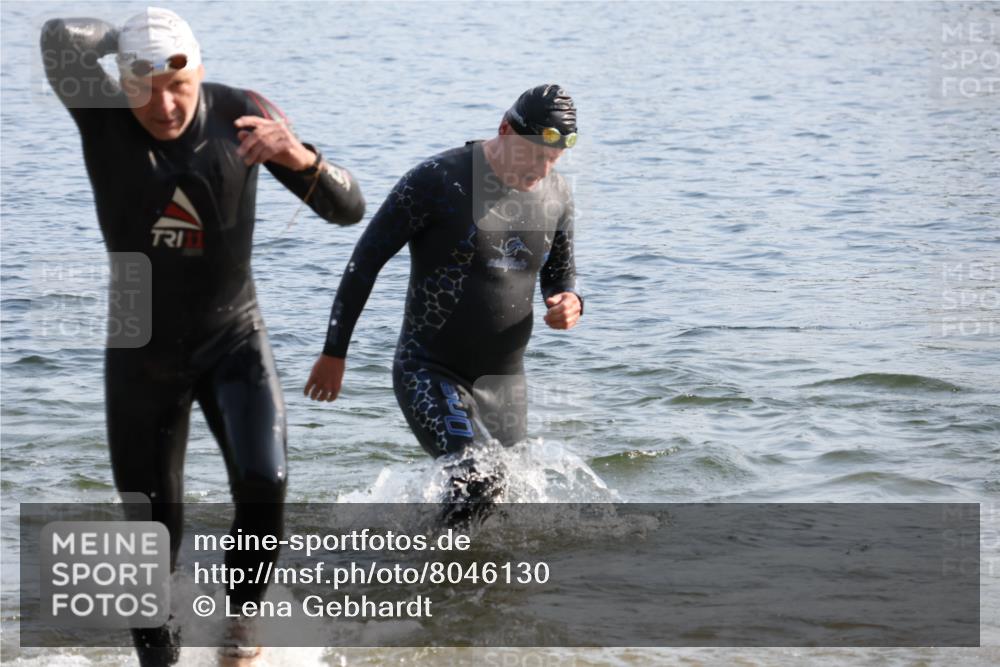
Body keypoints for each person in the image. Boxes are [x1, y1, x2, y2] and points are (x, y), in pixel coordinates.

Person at [40, 7, 365, 665]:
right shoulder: (100, 116)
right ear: (121, 80)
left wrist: (297, 156)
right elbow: (55, 39)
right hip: (142, 348)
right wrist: (126, 37)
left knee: (264, 478)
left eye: (178, 83)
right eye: (144, 85)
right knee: (153, 531)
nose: (163, 104)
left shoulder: (239, 113)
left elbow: (349, 209)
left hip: (232, 334)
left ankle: (240, 630)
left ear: (201, 70)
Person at [304, 84, 583, 515]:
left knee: (504, 503)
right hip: (430, 371)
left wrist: (569, 301)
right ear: (505, 130)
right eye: (533, 155)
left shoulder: (558, 194)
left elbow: (559, 274)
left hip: (506, 385)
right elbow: (365, 261)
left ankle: (451, 568)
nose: (541, 171)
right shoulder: (439, 179)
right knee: (479, 481)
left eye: (552, 159)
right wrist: (334, 353)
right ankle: (438, 576)